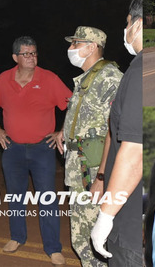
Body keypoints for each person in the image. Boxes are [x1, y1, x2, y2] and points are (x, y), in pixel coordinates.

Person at [0, 36, 71, 265]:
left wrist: (61, 131)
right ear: (15, 57)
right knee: (15, 196)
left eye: (34, 53)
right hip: (12, 149)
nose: (32, 57)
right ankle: (17, 237)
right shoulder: (3, 79)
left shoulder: (49, 78)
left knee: (47, 198)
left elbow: (72, 104)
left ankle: (53, 248)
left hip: (42, 149)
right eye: (26, 54)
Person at [49, 26, 123, 267]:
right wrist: (64, 131)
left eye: (75, 43)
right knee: (82, 239)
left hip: (92, 174)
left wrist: (101, 177)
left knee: (92, 241)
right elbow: (87, 118)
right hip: (79, 170)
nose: (70, 49)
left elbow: (116, 130)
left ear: (92, 47)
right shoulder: (87, 78)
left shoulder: (109, 78)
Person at [90, 0, 143, 267]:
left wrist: (106, 216)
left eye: (127, 23)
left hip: (130, 221)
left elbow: (134, 151)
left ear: (137, 24)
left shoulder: (139, 72)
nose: (125, 30)